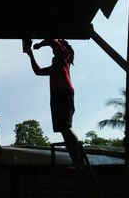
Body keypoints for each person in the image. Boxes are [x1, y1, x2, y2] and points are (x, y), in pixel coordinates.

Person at [25, 39, 85, 168]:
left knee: (66, 127)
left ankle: (78, 162)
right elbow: (38, 71)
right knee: (63, 129)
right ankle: (76, 161)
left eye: (55, 49)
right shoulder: (55, 66)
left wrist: (40, 45)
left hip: (64, 93)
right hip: (56, 95)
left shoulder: (65, 56)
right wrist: (31, 56)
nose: (53, 51)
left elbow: (53, 41)